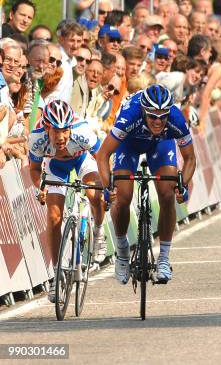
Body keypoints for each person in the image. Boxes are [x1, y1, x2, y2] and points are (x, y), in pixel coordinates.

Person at [96, 84, 196, 284]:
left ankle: (164, 259)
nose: (158, 121)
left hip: (160, 145)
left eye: (162, 116)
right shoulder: (129, 116)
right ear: (143, 111)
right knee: (122, 198)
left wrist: (182, 185)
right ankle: (123, 253)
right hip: (129, 144)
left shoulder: (176, 119)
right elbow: (103, 155)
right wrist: (108, 187)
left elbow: (190, 159)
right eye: (152, 116)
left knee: (168, 194)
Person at [27, 100, 106, 302]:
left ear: (70, 127)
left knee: (94, 194)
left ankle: (98, 230)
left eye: (64, 130)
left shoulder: (82, 132)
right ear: (46, 128)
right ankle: (56, 276)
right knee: (54, 217)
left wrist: (108, 183)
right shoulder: (36, 138)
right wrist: (41, 187)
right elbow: (35, 170)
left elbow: (103, 157)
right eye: (55, 131)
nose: (61, 137)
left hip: (82, 160)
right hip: (55, 167)